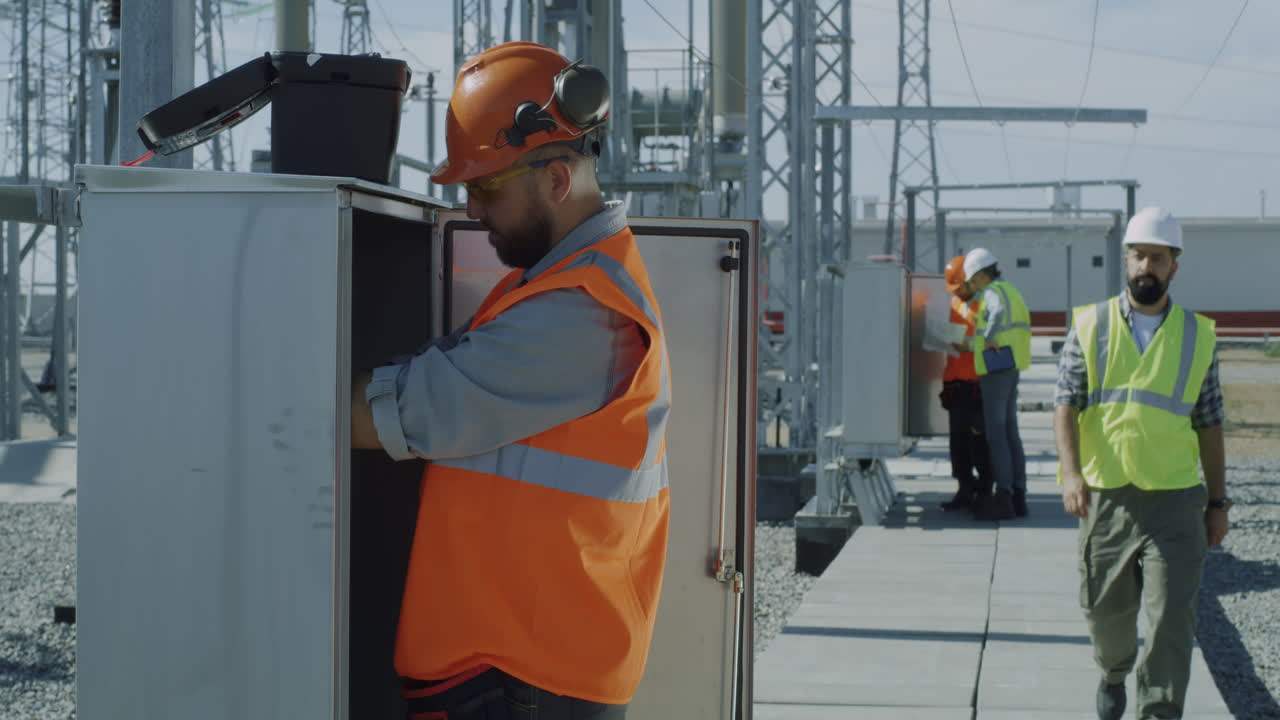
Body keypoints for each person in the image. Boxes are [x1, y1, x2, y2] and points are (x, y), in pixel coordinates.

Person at [350, 42, 671, 720]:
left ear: (555, 179)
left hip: (525, 678)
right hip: (520, 670)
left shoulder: (582, 314)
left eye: (486, 189)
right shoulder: (553, 287)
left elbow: (392, 413)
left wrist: (253, 396)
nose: (473, 210)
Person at [1054, 207, 1227, 720]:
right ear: (1125, 260)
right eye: (1138, 255)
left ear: (1174, 266)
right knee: (1105, 612)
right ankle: (1112, 673)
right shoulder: (1090, 325)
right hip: (1106, 497)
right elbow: (1066, 405)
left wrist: (1218, 502)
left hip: (1175, 499)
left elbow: (1210, 424)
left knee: (1172, 617)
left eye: (1157, 257)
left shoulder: (1197, 335)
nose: (1146, 266)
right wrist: (1071, 473)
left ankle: (1159, 709)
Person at [964, 248, 1031, 521]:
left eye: (973, 280)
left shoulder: (992, 293)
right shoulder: (1011, 290)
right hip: (1012, 367)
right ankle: (1018, 496)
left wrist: (990, 336)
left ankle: (1003, 497)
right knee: (1011, 433)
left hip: (995, 369)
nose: (973, 286)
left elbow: (997, 312)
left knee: (996, 435)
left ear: (982, 275)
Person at [938, 255, 992, 512]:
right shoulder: (954, 303)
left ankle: (985, 491)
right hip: (955, 382)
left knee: (979, 441)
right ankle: (964, 487)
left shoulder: (986, 304)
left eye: (960, 287)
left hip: (977, 382)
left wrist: (968, 346)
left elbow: (992, 341)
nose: (957, 292)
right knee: (958, 441)